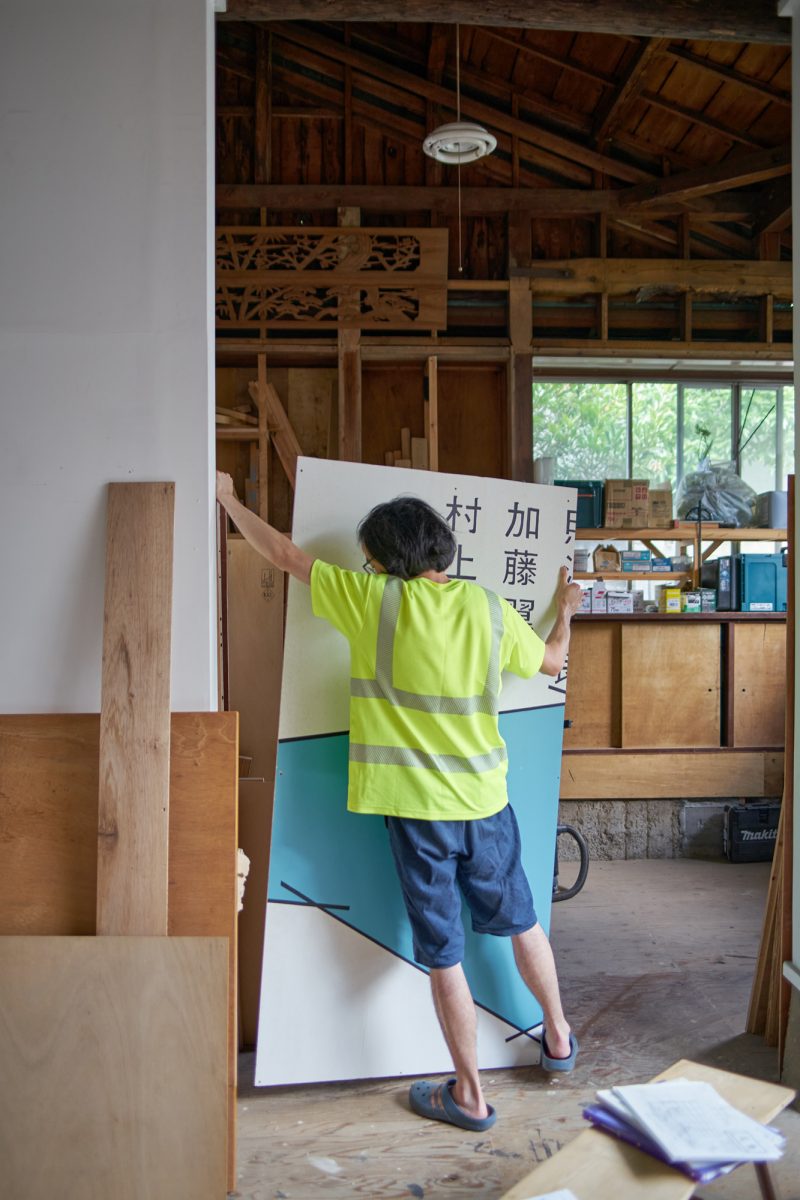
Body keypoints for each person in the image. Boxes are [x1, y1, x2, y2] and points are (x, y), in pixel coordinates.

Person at [216, 470, 582, 1132]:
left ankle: (470, 1097)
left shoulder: (371, 600)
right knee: (523, 920)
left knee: (445, 951)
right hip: (485, 803)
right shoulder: (488, 608)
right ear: (440, 550)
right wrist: (569, 606)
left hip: (418, 816)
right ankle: (558, 1037)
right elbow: (554, 662)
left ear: (383, 561)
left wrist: (227, 499)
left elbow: (283, 555)